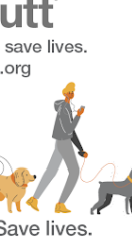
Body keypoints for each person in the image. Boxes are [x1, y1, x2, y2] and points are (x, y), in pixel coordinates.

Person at [27, 82, 87, 213]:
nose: (72, 94)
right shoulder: (63, 109)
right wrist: (79, 115)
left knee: (51, 171)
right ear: (65, 93)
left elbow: (71, 132)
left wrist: (80, 149)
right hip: (63, 143)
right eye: (69, 91)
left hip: (61, 142)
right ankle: (60, 204)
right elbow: (69, 129)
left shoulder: (66, 107)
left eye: (73, 92)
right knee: (74, 172)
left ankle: (33, 199)